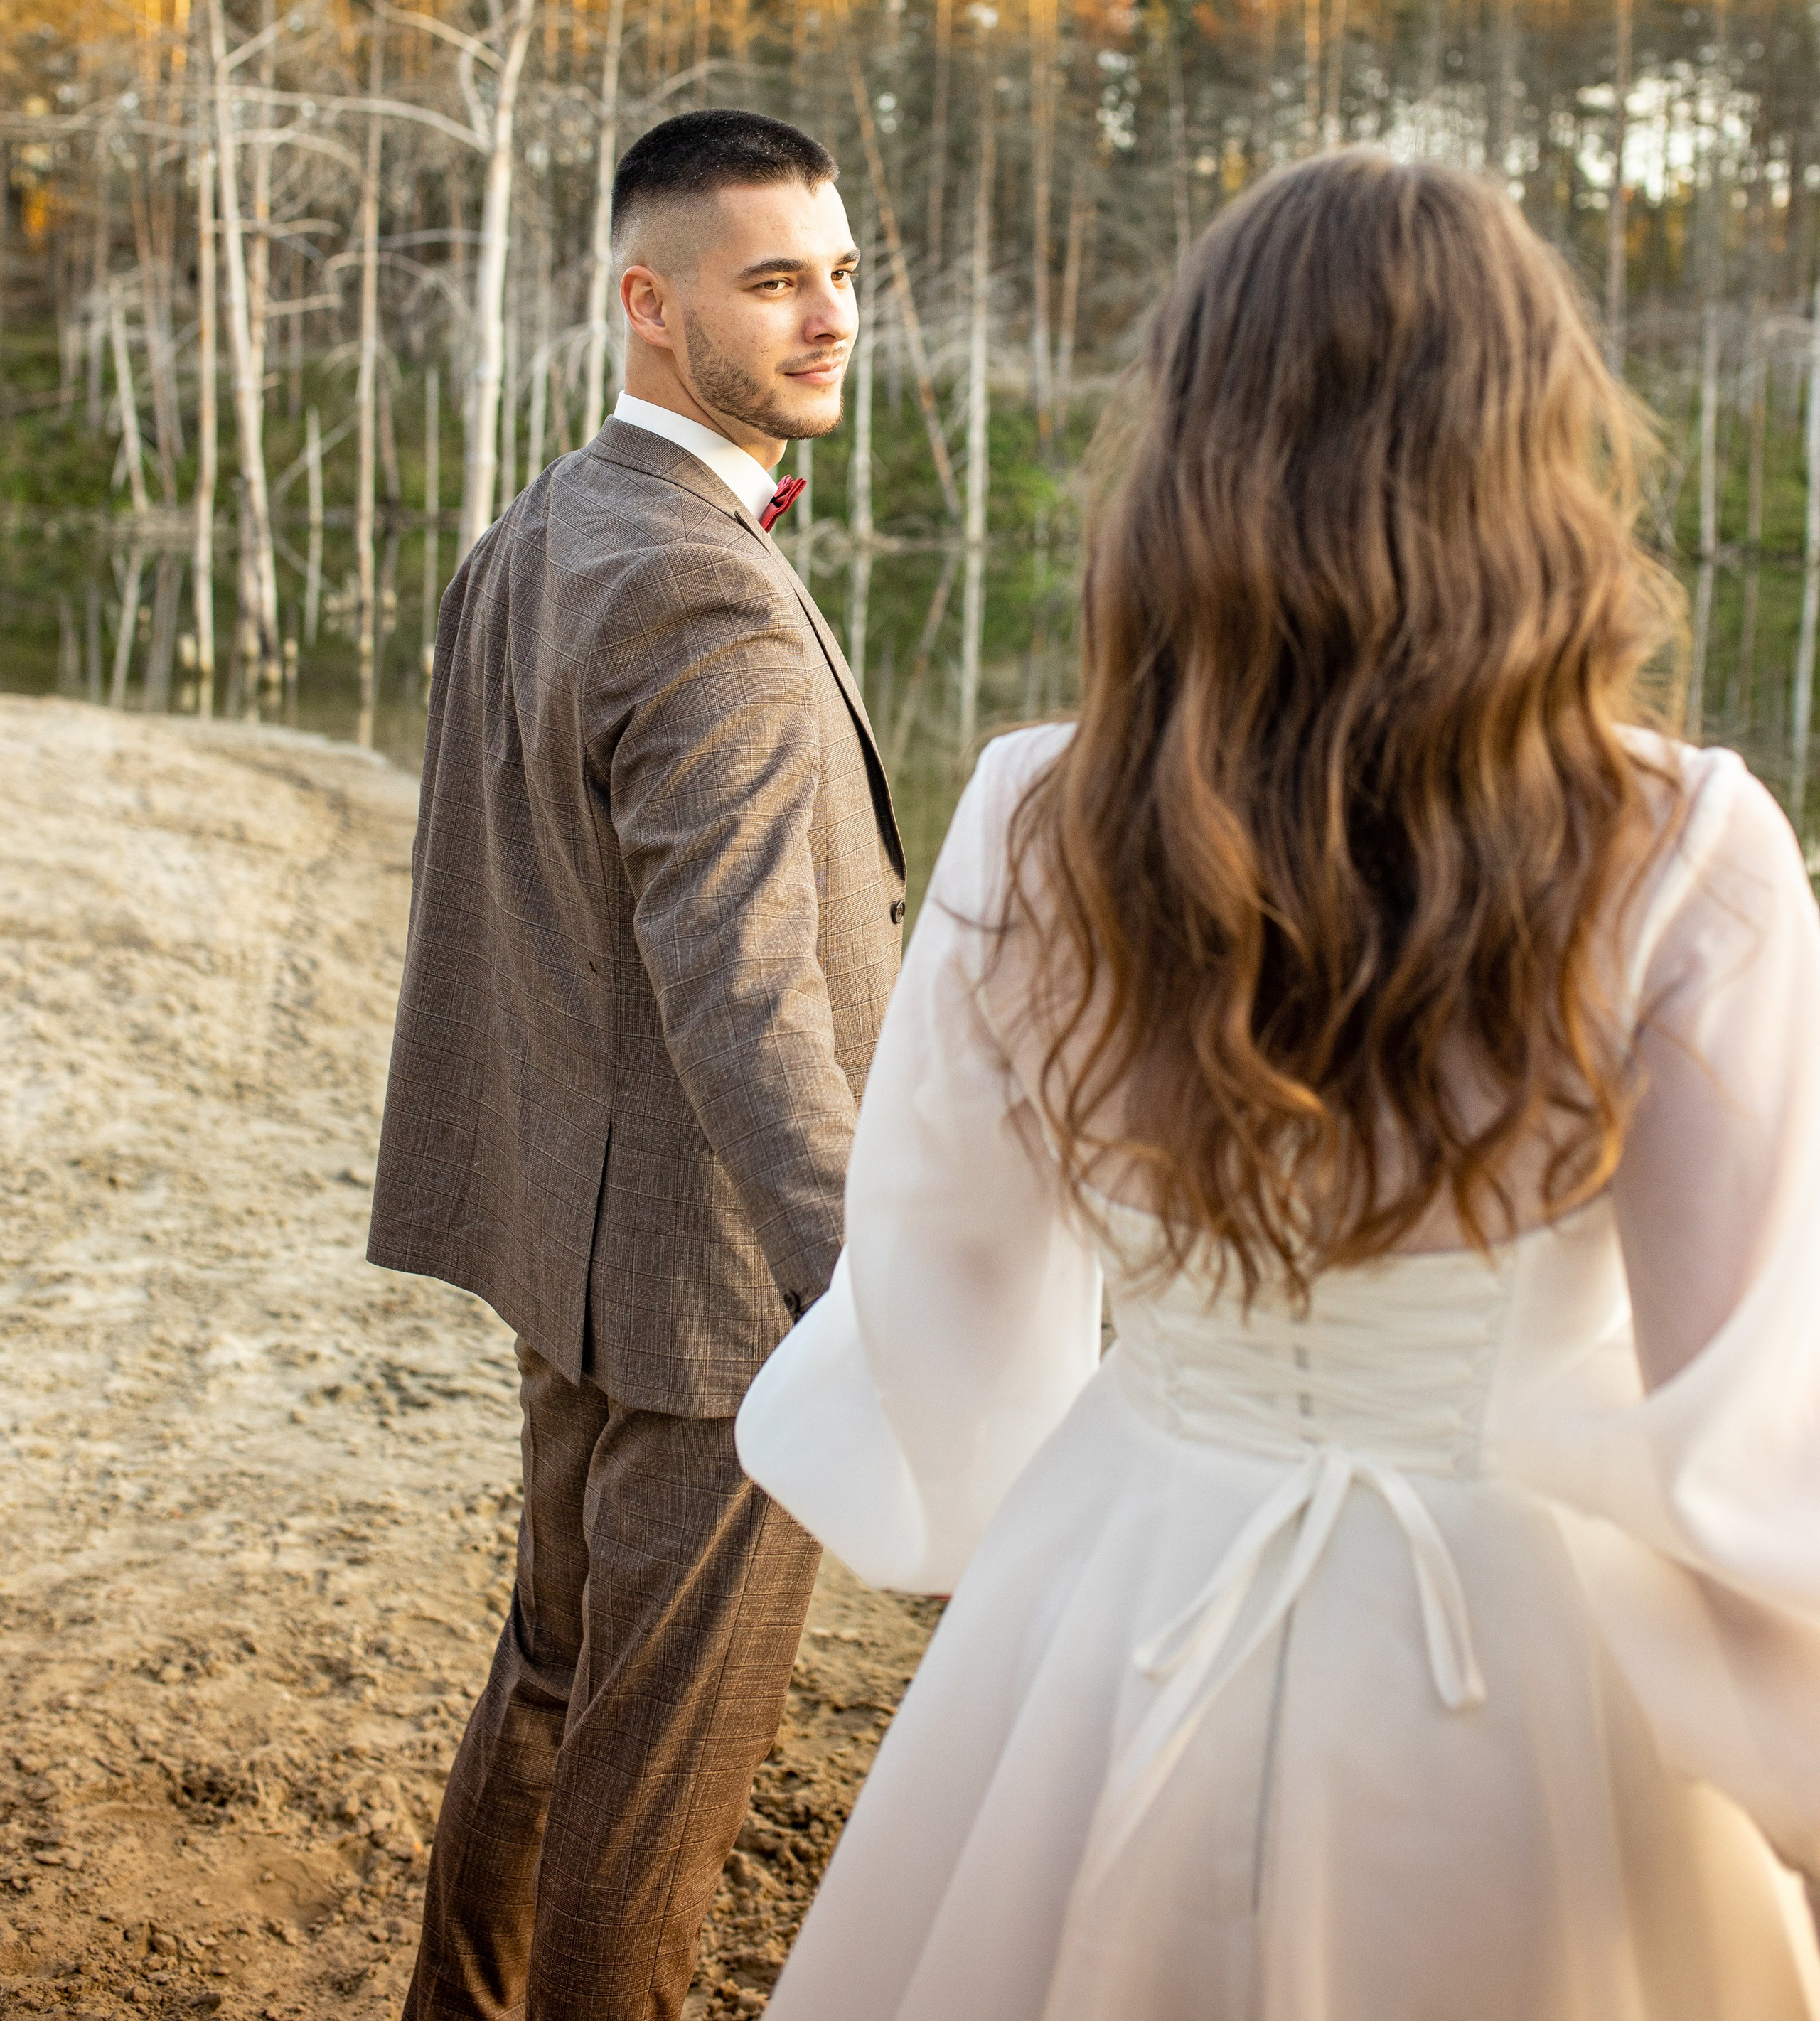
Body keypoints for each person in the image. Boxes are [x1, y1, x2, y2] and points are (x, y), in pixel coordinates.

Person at [737, 150, 1820, 2020]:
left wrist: (1005, 1534)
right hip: (1521, 1650)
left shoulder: (1035, 815)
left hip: (1117, 1588)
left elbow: (937, 1283)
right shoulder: (1686, 846)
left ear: (1191, 447)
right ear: (1538, 444)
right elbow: (1745, 1420)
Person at [369, 109, 905, 2021]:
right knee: (652, 1796)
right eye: (776, 282)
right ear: (650, 305)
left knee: (552, 1678)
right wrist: (864, 1304)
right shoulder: (699, 589)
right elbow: (748, 993)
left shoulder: (553, 520)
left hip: (575, 1254)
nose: (829, 318)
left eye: (843, 275)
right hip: (715, 1298)